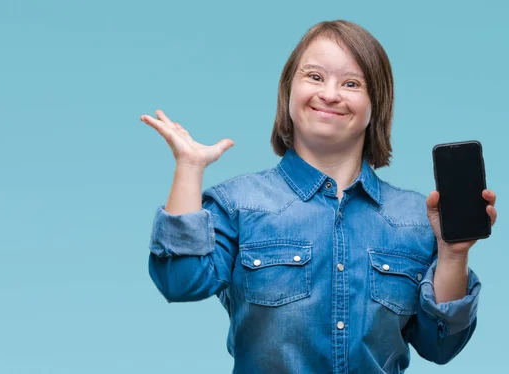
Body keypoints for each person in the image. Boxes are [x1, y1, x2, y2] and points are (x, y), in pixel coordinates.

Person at [139, 20, 498, 373]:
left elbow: (441, 344)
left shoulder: (416, 219)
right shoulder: (238, 204)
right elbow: (180, 280)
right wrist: (188, 167)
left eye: (352, 83)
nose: (329, 94)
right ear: (288, 91)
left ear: (376, 105)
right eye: (314, 76)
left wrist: (453, 255)